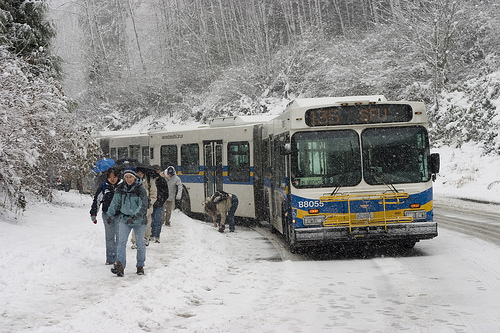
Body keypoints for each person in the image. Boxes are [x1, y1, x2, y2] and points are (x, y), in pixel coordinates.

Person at [107, 166, 148, 276]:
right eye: (127, 177)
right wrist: (109, 214)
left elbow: (143, 206)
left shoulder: (140, 190)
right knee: (121, 242)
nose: (129, 179)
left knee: (140, 243)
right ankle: (120, 265)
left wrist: (134, 217)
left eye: (131, 177)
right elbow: (115, 202)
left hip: (139, 221)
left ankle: (140, 265)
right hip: (125, 219)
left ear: (135, 177)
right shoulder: (121, 188)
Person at [89, 167, 122, 265]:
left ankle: (118, 259)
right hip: (107, 214)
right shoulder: (104, 186)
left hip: (120, 215)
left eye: (114, 176)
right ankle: (110, 259)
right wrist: (93, 213)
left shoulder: (123, 186)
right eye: (110, 177)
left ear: (118, 176)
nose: (112, 179)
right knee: (109, 237)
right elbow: (97, 200)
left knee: (119, 237)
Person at [130, 166, 157, 248]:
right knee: (136, 223)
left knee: (147, 223)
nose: (139, 174)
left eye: (141, 173)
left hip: (147, 206)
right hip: (136, 206)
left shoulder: (149, 181)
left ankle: (146, 238)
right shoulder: (132, 181)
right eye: (138, 173)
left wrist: (151, 202)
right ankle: (135, 241)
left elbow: (154, 193)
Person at [150, 165, 168, 243]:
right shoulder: (150, 180)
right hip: (151, 203)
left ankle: (156, 235)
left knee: (157, 220)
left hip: (159, 203)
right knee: (151, 220)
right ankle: (151, 234)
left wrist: (161, 201)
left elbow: (166, 193)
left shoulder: (162, 180)